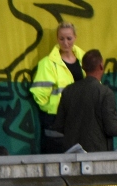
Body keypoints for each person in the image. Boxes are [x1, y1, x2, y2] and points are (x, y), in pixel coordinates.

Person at [53, 49, 117, 152]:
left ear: (83, 68)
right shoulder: (105, 93)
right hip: (97, 157)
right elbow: (112, 128)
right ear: (101, 66)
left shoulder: (68, 91)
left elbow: (59, 125)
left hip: (71, 154)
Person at [30, 22, 86, 154]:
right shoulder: (47, 64)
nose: (65, 42)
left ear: (75, 37)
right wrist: (53, 110)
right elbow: (39, 95)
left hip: (81, 118)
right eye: (61, 38)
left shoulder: (84, 58)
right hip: (57, 120)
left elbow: (94, 84)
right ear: (57, 39)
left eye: (69, 38)